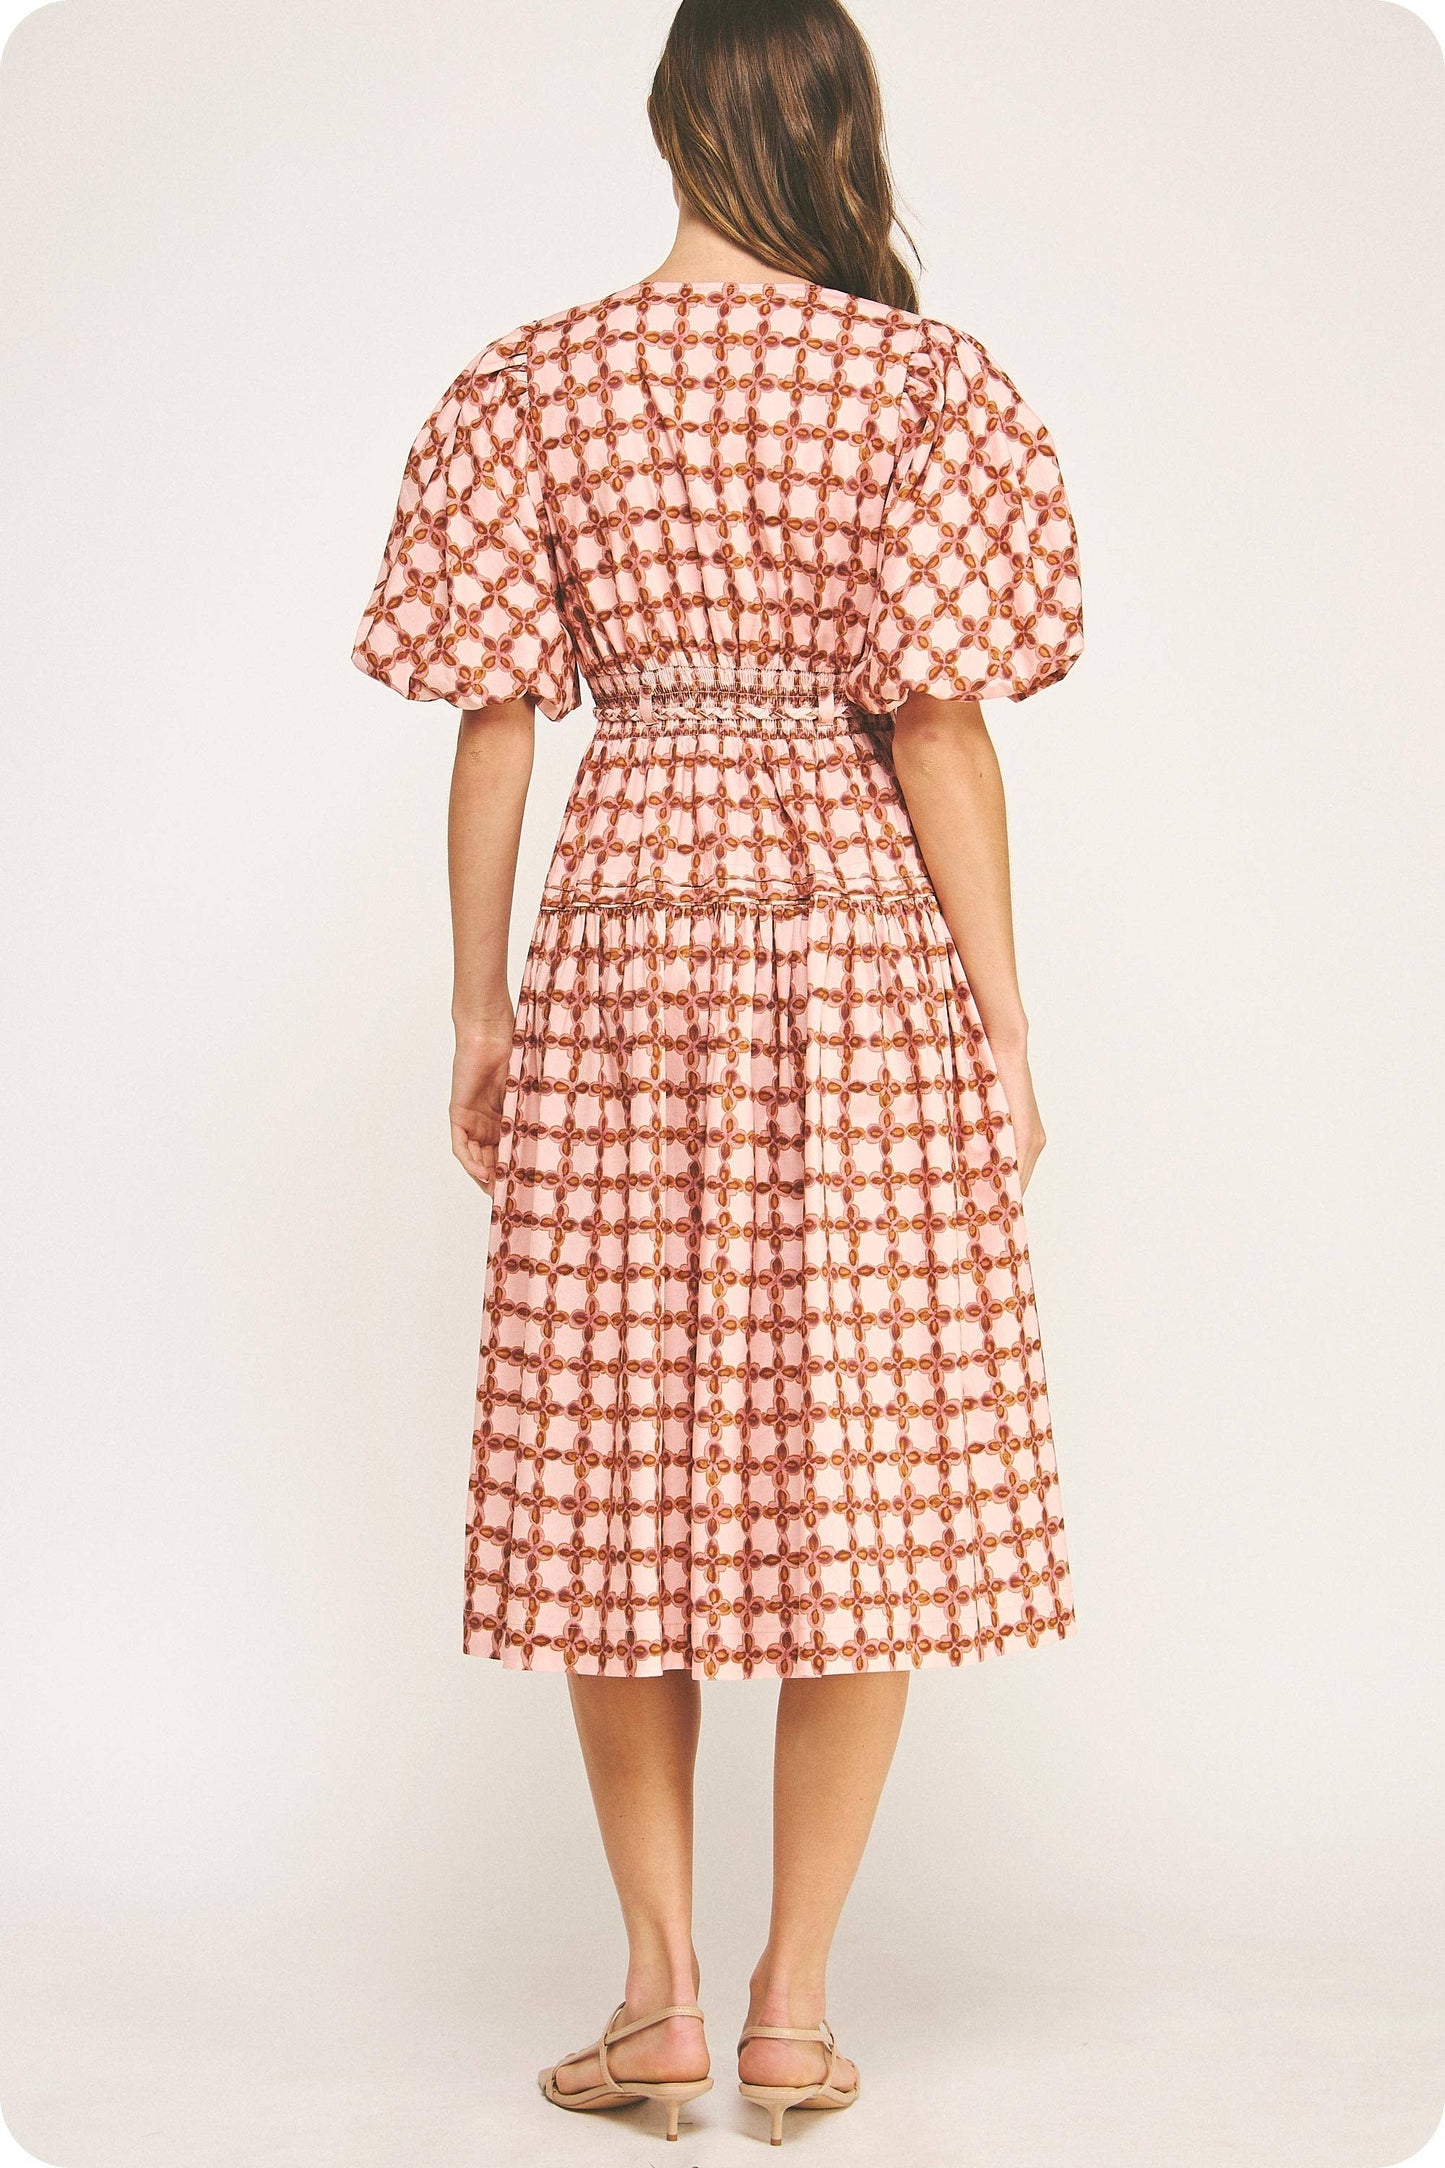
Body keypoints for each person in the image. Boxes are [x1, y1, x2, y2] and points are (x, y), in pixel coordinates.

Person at [351, 0, 1084, 2144]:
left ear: (670, 120)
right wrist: (1007, 1016)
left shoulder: (536, 379)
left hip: (622, 924)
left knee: (612, 1449)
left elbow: (495, 720)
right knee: (865, 1451)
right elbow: (940, 722)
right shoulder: (925, 386)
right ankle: (790, 2009)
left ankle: (656, 1992)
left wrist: (478, 1004)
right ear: (841, 131)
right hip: (857, 945)